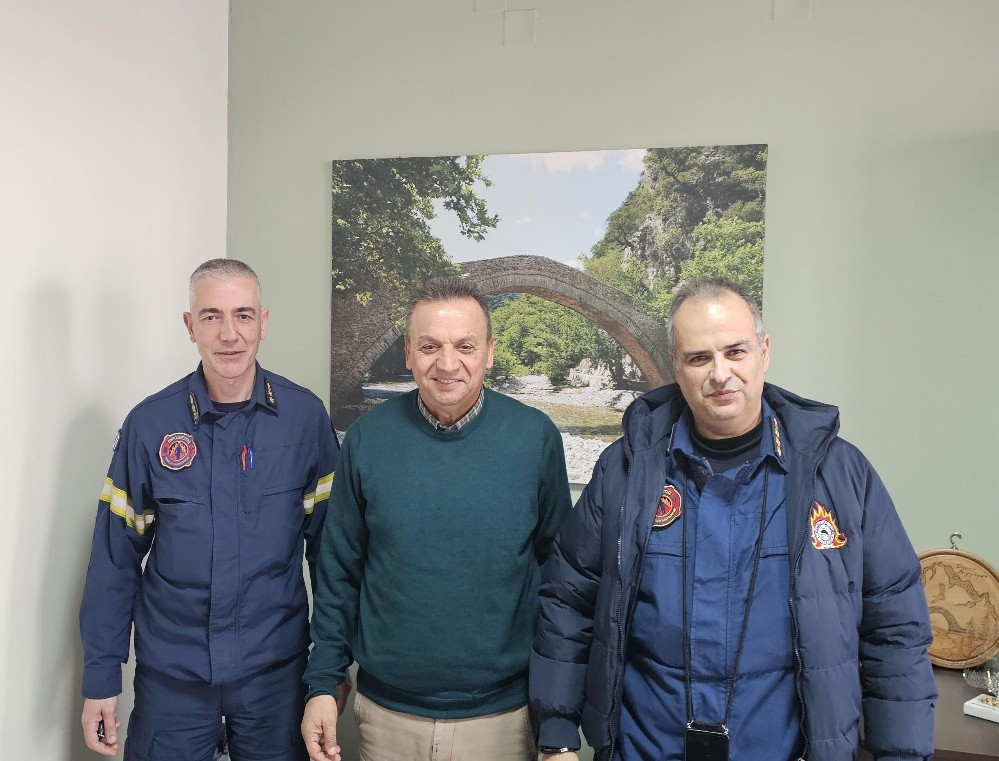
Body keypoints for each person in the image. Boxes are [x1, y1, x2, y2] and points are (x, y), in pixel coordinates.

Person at [530, 278, 936, 761]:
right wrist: (556, 734)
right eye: (699, 358)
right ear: (676, 366)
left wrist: (902, 753)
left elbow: (895, 628)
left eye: (735, 351)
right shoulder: (625, 469)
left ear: (764, 352)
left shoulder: (841, 474)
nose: (720, 374)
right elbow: (569, 599)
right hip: (644, 749)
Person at [79, 258, 346, 760]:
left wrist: (328, 676)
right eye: (211, 316)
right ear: (189, 325)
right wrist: (101, 676)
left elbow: (332, 559)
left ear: (263, 323)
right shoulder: (150, 424)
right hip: (172, 681)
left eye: (243, 315)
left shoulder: (305, 419)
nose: (229, 334)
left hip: (275, 677)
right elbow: (114, 560)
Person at [301, 277, 573, 761]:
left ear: (489, 352)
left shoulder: (535, 438)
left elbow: (561, 580)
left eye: (465, 346)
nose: (447, 364)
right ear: (408, 353)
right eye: (430, 347)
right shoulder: (366, 438)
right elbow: (338, 571)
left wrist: (558, 718)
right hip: (387, 718)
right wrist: (323, 682)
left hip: (504, 720)